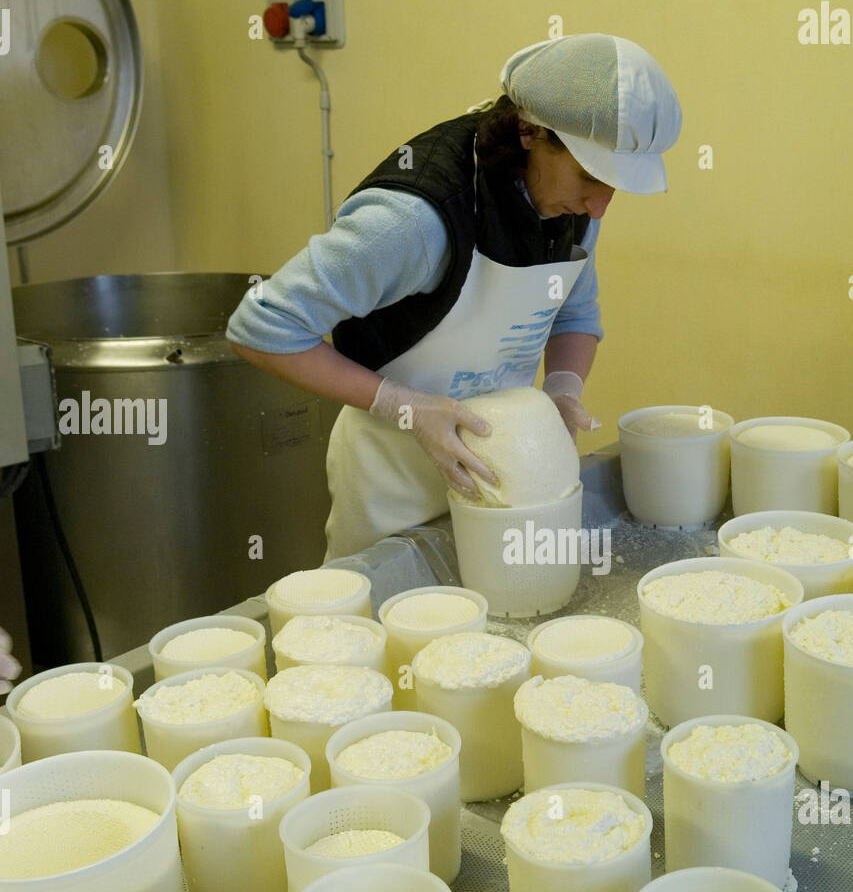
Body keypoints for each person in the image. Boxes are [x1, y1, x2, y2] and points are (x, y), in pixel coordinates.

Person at [227, 33, 682, 560]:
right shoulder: (413, 219)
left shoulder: (571, 208)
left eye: (615, 187)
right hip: (392, 491)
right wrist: (405, 406)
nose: (599, 207)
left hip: (502, 485)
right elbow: (261, 328)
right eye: (590, 176)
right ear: (531, 131)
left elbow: (575, 312)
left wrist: (562, 389)